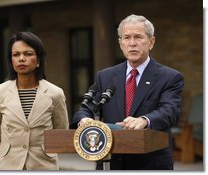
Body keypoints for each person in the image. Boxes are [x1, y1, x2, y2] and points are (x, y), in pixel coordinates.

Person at [71, 14, 184, 170]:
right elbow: (86, 108)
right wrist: (84, 120)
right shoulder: (106, 76)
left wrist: (144, 120)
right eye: (127, 38)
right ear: (120, 43)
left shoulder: (170, 77)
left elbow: (170, 111)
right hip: (110, 161)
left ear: (151, 42)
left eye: (138, 37)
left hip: (150, 164)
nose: (132, 43)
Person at [0, 31, 69, 170]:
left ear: (38, 60)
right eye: (16, 54)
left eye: (28, 54)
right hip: (8, 166)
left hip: (43, 166)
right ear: (11, 60)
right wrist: (3, 159)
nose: (21, 58)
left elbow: (60, 133)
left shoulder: (55, 93)